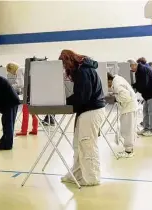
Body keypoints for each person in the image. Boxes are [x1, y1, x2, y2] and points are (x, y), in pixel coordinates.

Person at [58, 49, 106, 186]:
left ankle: (92, 177)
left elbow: (82, 97)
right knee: (78, 145)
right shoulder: (84, 69)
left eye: (64, 64)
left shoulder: (82, 72)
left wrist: (65, 102)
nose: (65, 68)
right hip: (88, 111)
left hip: (91, 111)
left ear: (68, 61)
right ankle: (77, 174)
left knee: (87, 144)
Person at [107, 73, 138, 158]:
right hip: (130, 107)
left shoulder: (116, 84)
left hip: (128, 108)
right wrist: (115, 94)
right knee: (128, 129)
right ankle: (129, 150)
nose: (108, 87)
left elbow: (125, 97)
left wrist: (116, 98)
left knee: (127, 130)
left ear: (108, 80)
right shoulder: (117, 79)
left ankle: (128, 152)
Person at [129, 59, 152, 136]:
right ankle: (146, 128)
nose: (131, 70)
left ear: (134, 65)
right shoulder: (139, 70)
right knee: (145, 111)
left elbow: (144, 84)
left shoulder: (142, 70)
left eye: (131, 67)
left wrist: (134, 86)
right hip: (147, 93)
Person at [6, 62, 38, 136]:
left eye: (9, 71)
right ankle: (35, 129)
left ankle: (23, 130)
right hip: (33, 93)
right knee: (34, 112)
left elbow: (21, 84)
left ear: (12, 69)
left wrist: (10, 86)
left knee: (25, 112)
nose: (11, 73)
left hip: (27, 95)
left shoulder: (19, 71)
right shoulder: (24, 69)